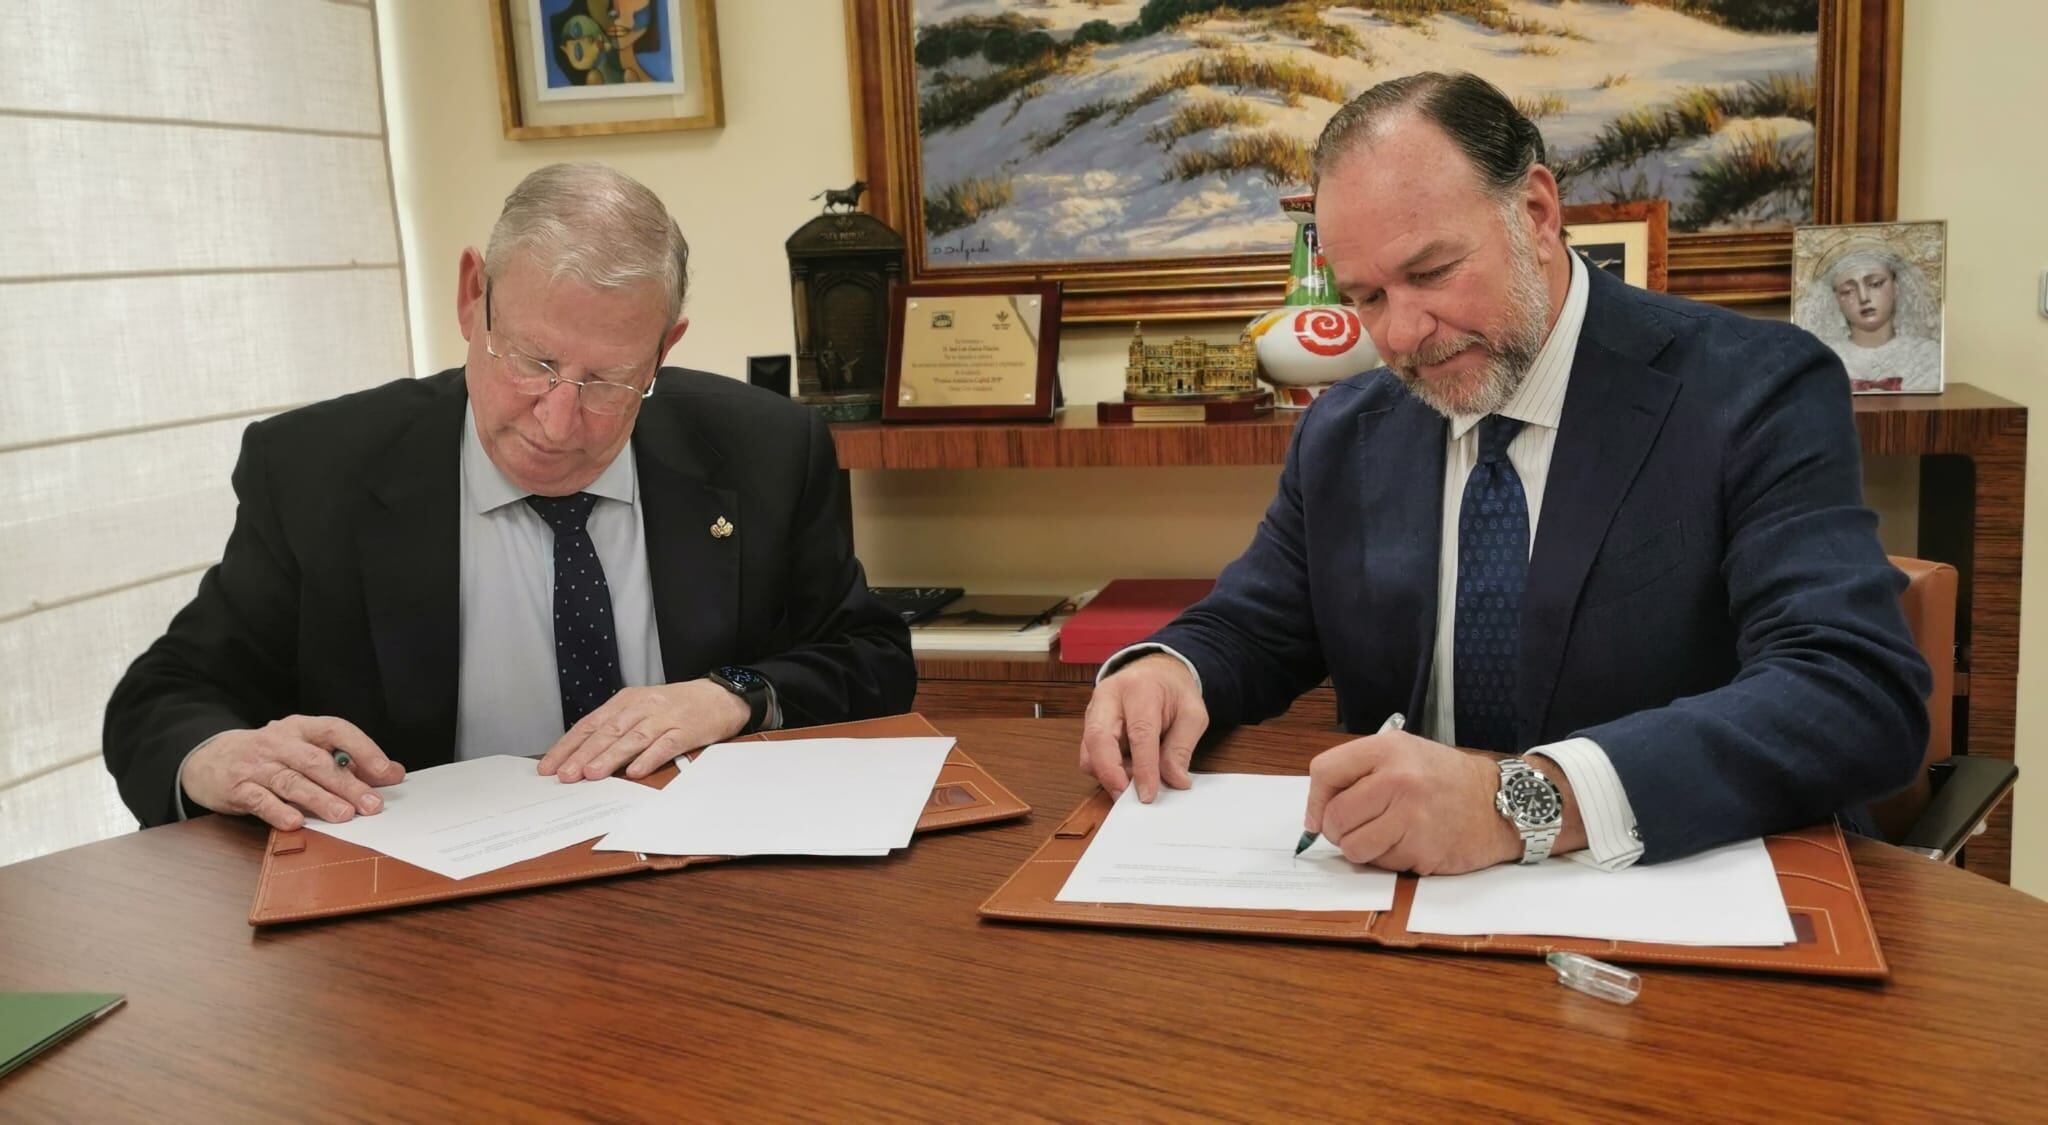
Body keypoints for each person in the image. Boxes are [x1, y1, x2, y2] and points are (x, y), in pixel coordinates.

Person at [1078, 73, 1929, 874]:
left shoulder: (1754, 388)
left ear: (1536, 211)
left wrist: (1521, 802)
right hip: (1404, 906)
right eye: (1367, 297)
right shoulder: (1346, 429)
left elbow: (1852, 692)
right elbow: (1255, 628)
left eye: (1432, 272)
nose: (1404, 333)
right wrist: (1166, 668)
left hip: (1678, 891)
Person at [104, 163, 914, 831]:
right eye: (532, 361)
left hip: (702, 896)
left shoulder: (766, 450)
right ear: (471, 297)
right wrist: (218, 756)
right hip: (418, 929)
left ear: (666, 348)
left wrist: (733, 694)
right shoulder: (317, 469)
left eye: (608, 380)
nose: (559, 422)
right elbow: (165, 696)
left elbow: (871, 661)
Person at [1796, 247, 1943, 392]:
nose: (1863, 297)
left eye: (1875, 284)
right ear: (1836, 301)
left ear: (1896, 288)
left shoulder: (1925, 356)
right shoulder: (1825, 359)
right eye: (1848, 291)